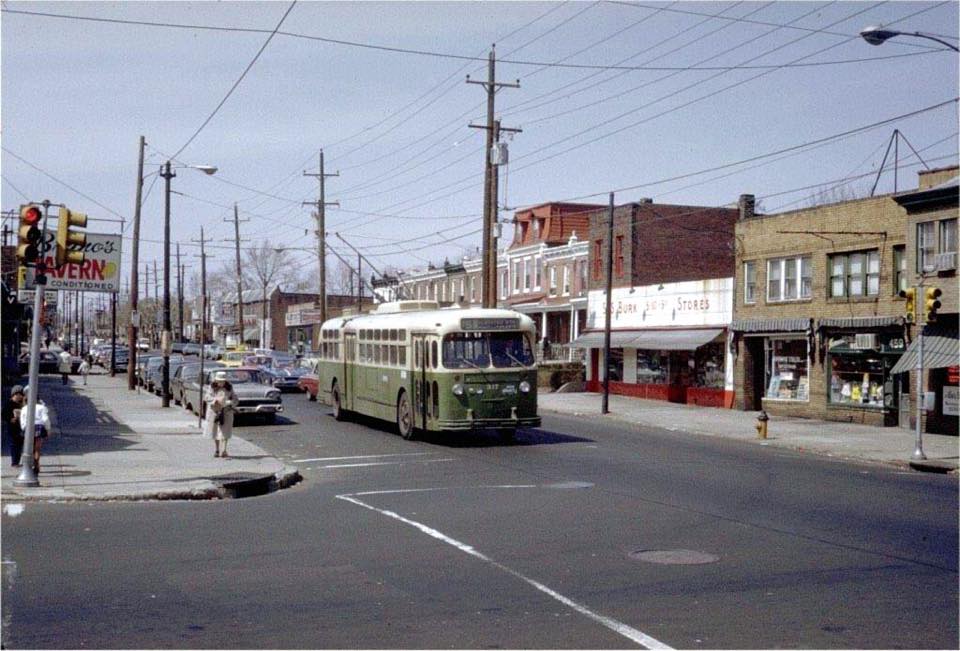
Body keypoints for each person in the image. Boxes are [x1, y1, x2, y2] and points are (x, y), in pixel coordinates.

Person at [18, 386, 51, 474]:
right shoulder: (41, 407)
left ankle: (28, 465)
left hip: (28, 428)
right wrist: (48, 429)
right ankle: (36, 464)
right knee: (37, 449)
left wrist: (24, 428)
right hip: (39, 427)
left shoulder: (24, 408)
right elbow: (45, 419)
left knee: (28, 448)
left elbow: (22, 420)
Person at [204, 378, 237, 458]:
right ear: (216, 380)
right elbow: (207, 397)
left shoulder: (229, 387)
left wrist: (229, 402)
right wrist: (214, 400)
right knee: (215, 431)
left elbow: (235, 399)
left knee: (225, 431)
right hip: (215, 412)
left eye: (222, 381)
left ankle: (224, 450)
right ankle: (217, 449)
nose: (221, 383)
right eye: (219, 381)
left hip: (226, 412)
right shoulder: (211, 387)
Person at [3, 386, 25, 467]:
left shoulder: (22, 403)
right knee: (14, 444)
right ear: (13, 395)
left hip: (21, 427)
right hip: (12, 428)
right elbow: (4, 414)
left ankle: (17, 461)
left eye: (20, 394)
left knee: (19, 445)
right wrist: (10, 419)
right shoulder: (9, 404)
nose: (18, 396)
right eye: (17, 394)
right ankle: (14, 462)